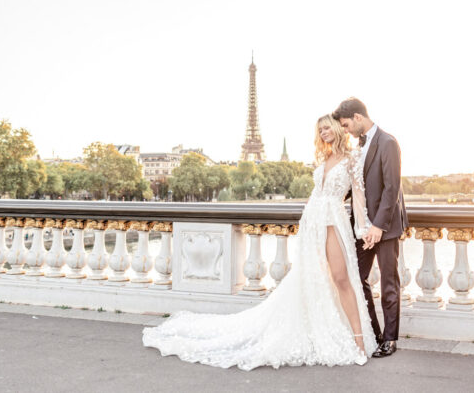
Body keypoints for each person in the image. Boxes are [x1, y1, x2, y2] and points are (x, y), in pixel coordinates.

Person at [142, 115, 377, 369]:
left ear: (337, 129)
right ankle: (324, 330)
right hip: (313, 221)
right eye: (319, 130)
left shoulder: (352, 158)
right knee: (314, 278)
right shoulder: (323, 159)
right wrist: (306, 218)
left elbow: (359, 197)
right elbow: (315, 193)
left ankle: (358, 341)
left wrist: (363, 228)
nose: (323, 133)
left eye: (327, 128)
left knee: (341, 278)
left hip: (333, 220)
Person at [333, 97, 408, 359]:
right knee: (357, 278)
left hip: (384, 228)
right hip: (361, 228)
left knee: (389, 283)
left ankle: (390, 339)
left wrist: (379, 226)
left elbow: (392, 188)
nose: (345, 130)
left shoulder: (388, 143)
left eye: (345, 125)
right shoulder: (357, 147)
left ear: (358, 117)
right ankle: (374, 333)